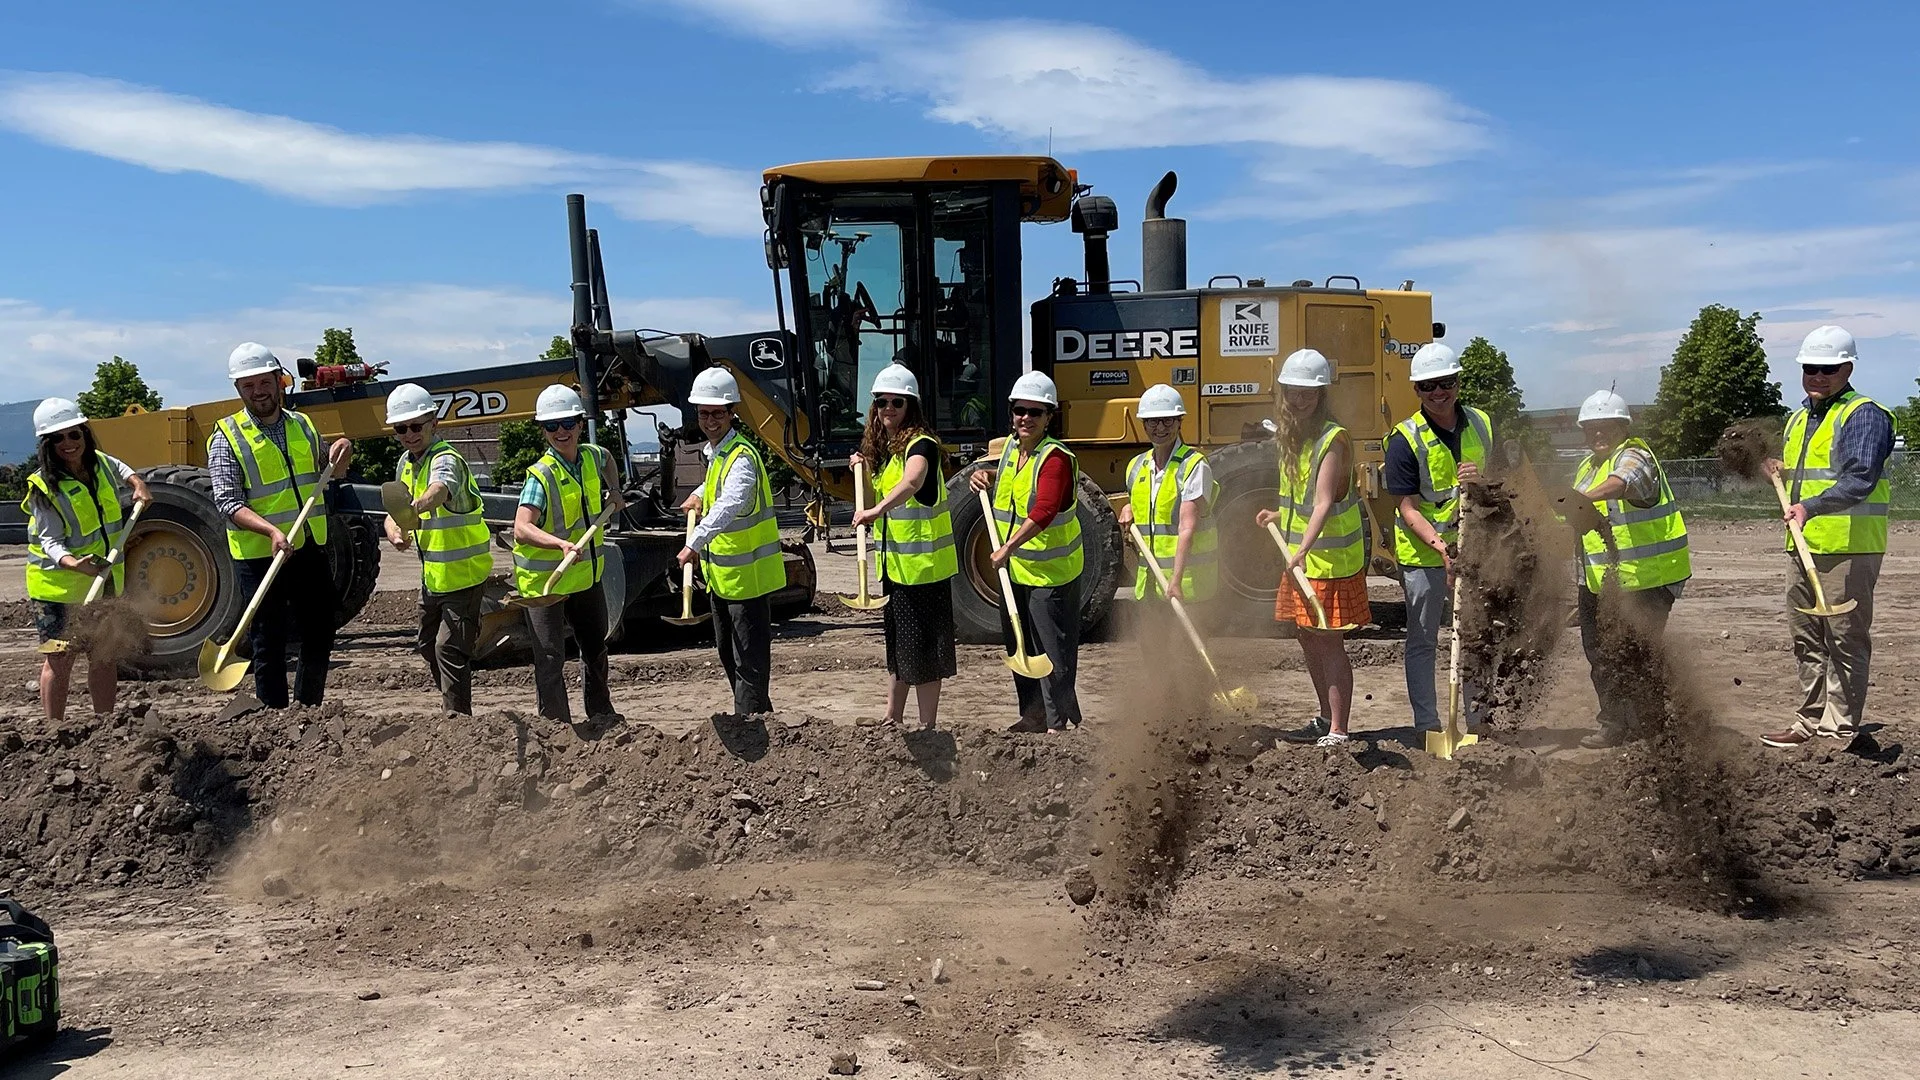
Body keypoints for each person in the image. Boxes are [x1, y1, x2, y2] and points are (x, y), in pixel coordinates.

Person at [1761, 326, 1893, 750]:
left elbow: (1859, 478)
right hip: (1803, 544)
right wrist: (1779, 470)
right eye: (1810, 368)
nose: (1818, 376)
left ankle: (1840, 728)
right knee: (1807, 637)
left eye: (1828, 368)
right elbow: (1812, 473)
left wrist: (1810, 507)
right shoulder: (1800, 417)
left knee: (1844, 637)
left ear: (1847, 368)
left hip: (1848, 546)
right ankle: (1810, 720)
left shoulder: (1863, 414)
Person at [208, 342, 351, 708]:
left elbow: (328, 471)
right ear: (239, 390)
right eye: (248, 386)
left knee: (320, 631)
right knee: (268, 639)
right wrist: (270, 531)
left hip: (306, 547)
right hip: (260, 556)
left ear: (279, 380)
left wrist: (342, 450)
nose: (258, 391)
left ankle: (307, 708)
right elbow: (227, 502)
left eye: (263, 382)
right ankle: (273, 716)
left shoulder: (302, 425)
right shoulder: (227, 437)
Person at [1255, 351, 1370, 746]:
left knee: (1328, 641)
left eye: (1308, 393)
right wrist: (1279, 514)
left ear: (1321, 394)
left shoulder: (1332, 439)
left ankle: (1339, 729)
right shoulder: (1295, 437)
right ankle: (1324, 717)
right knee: (1308, 637)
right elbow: (1301, 500)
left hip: (1329, 560)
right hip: (1304, 557)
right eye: (1292, 392)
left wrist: (1301, 549)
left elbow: (1323, 502)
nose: (1299, 400)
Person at [1566, 391, 1690, 749]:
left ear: (1623, 427)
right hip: (1600, 583)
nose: (1599, 434)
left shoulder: (1636, 455)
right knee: (1600, 653)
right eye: (1592, 428)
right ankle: (1615, 724)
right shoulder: (1587, 467)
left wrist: (1583, 499)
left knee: (1636, 652)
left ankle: (1653, 726)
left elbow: (1625, 482)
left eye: (1607, 427)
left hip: (1646, 579)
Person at [1385, 342, 1493, 739]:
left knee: (1474, 636)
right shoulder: (1403, 440)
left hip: (1474, 549)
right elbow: (1407, 508)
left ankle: (1478, 722)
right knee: (1424, 640)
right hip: (1424, 556)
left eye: (1445, 382)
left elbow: (1500, 486)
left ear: (1458, 382)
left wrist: (1480, 481)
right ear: (1417, 390)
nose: (1438, 392)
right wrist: (1444, 550)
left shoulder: (1481, 423)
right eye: (1428, 386)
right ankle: (1428, 726)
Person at [22, 397, 151, 722]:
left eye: (74, 435)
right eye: (58, 439)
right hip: (58, 592)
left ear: (84, 434)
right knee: (59, 661)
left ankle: (104, 726)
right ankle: (55, 729)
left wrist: (137, 484)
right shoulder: (45, 488)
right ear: (46, 445)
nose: (68, 444)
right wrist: (72, 563)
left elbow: (122, 468)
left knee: (104, 658)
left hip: (103, 581)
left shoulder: (100, 464)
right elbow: (50, 541)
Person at [968, 370, 1084, 733]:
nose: (1026, 418)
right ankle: (1032, 715)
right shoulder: (1012, 452)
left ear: (1049, 417)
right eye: (1020, 410)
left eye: (1036, 412)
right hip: (1016, 572)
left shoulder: (1055, 459)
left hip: (1051, 574)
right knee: (1021, 647)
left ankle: (1057, 723)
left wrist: (1007, 547)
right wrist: (982, 478)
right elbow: (1008, 491)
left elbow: (1045, 510)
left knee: (1051, 653)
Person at [850, 364, 958, 729]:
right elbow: (870, 497)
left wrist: (877, 509)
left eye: (898, 402)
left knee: (925, 653)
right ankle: (892, 716)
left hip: (925, 571)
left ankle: (928, 725)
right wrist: (863, 469)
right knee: (899, 649)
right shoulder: (889, 454)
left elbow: (913, 481)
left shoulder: (921, 445)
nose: (889, 408)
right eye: (883, 402)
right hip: (898, 571)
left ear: (911, 406)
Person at [512, 384, 625, 725]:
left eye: (566, 423)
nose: (560, 432)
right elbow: (521, 528)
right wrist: (558, 544)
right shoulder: (541, 475)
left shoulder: (591, 456)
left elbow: (607, 458)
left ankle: (601, 714)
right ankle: (555, 727)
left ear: (579, 424)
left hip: (585, 577)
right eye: (551, 426)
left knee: (595, 650)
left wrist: (616, 490)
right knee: (550, 658)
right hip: (546, 582)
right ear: (543, 430)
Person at [678, 368, 782, 716]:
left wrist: (695, 541)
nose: (710, 420)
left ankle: (750, 726)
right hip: (724, 581)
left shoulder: (742, 456)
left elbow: (732, 500)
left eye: (717, 413)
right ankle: (761, 719)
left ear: (732, 412)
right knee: (729, 656)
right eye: (704, 413)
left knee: (748, 662)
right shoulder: (719, 454)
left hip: (748, 582)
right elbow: (716, 489)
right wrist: (697, 493)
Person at [382, 383, 489, 716]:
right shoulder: (406, 463)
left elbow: (440, 490)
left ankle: (458, 722)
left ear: (434, 422)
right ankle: (451, 712)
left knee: (449, 648)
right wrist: (394, 528)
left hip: (464, 576)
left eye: (417, 425)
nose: (410, 434)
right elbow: (394, 510)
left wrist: (415, 509)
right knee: (428, 645)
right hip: (433, 579)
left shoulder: (447, 459)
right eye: (402, 428)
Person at [1116, 382, 1217, 715]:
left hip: (1186, 582)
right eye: (1152, 421)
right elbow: (1145, 505)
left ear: (1179, 422)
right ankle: (1167, 712)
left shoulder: (1193, 465)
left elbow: (1187, 526)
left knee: (1188, 653)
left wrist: (1175, 579)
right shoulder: (1138, 466)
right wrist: (1129, 509)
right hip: (1150, 582)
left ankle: (1198, 717)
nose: (1159, 427)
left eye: (1167, 421)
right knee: (1154, 651)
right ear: (1144, 424)